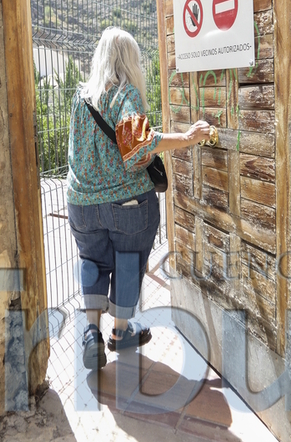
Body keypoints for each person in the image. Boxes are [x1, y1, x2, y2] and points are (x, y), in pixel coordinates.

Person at [66, 27, 211, 370]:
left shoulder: (80, 97)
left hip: (81, 203)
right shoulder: (124, 95)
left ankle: (91, 332)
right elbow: (136, 149)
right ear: (129, 60)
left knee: (93, 262)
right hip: (126, 205)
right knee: (127, 262)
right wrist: (187, 137)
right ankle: (120, 332)